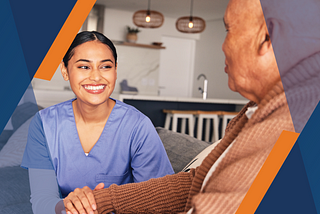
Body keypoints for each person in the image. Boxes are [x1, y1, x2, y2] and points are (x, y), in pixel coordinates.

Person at [62, 0, 297, 213]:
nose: (223, 46)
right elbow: (195, 182)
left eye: (228, 30)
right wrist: (102, 201)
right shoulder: (257, 110)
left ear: (267, 38)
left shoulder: (291, 123)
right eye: (83, 67)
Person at [21, 31, 174, 214]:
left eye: (105, 67)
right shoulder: (43, 124)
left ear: (115, 70)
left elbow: (158, 200)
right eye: (84, 67)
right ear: (65, 70)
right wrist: (70, 205)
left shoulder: (138, 127)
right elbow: (42, 202)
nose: (96, 77)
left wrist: (102, 201)